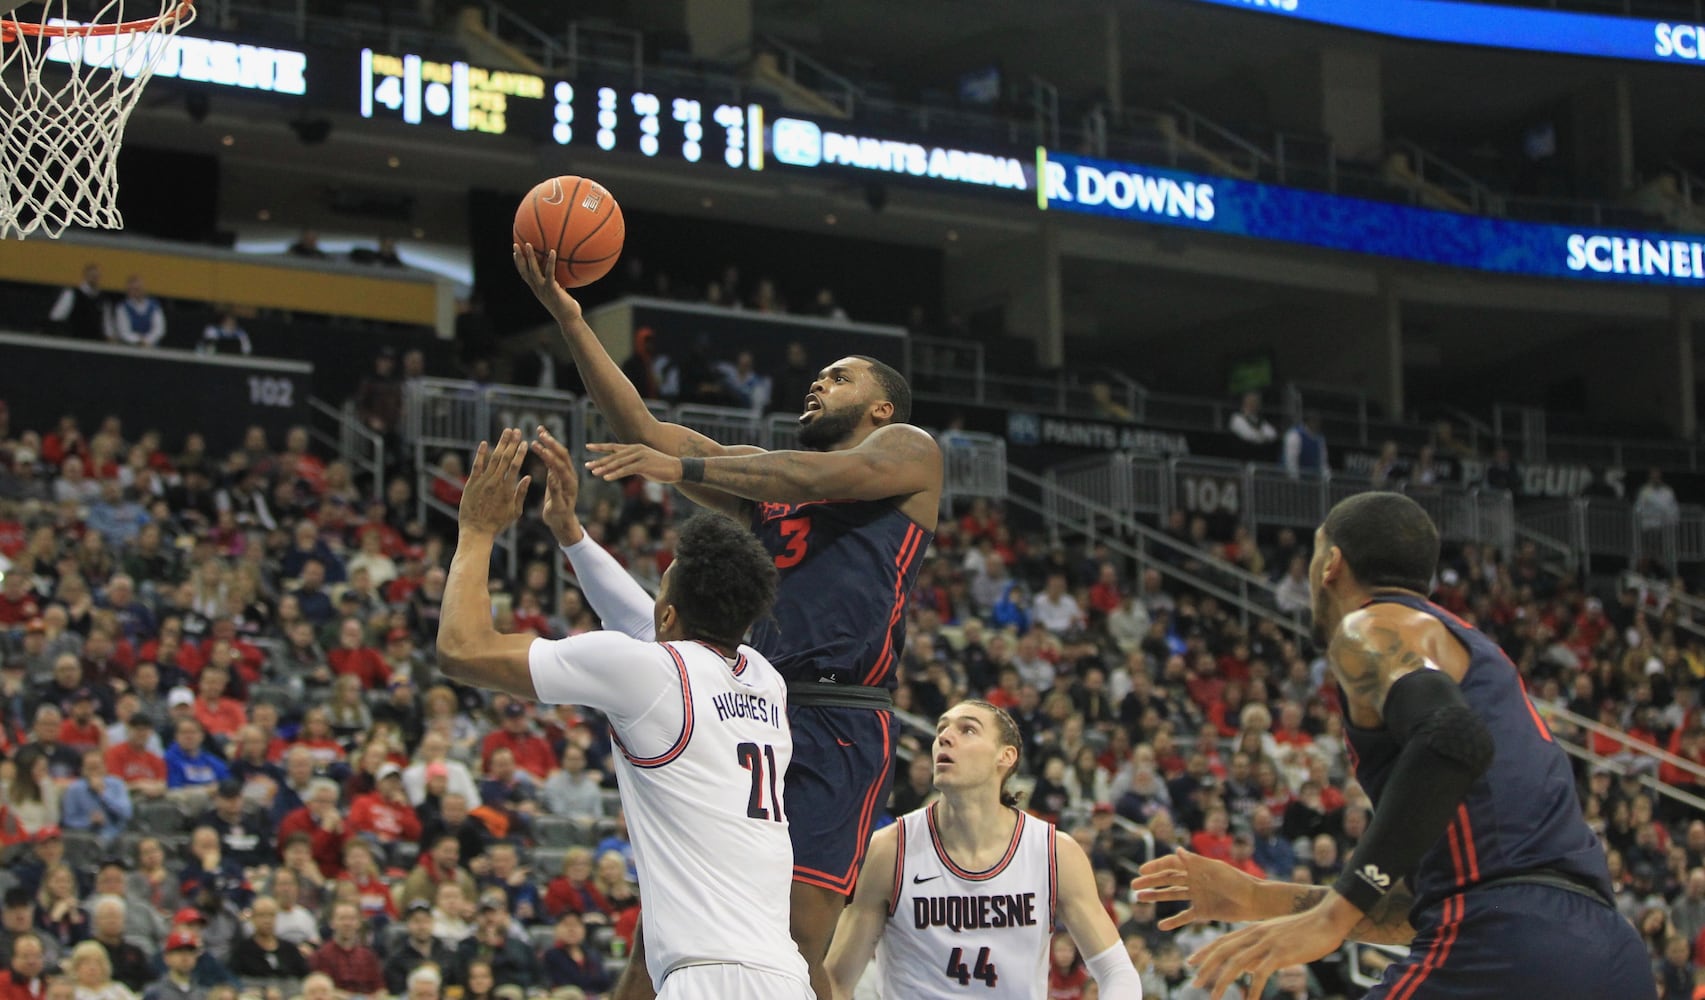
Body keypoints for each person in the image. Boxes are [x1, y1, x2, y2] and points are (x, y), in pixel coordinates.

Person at [516, 239, 942, 1000]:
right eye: (818, 375)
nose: (819, 382)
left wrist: (680, 470)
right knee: (661, 951)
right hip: (747, 704)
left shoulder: (907, 452)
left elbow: (826, 475)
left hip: (838, 719)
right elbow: (646, 429)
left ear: (880, 407)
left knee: (790, 947)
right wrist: (569, 318)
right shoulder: (762, 484)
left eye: (838, 377)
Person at [1130, 492, 1653, 1000]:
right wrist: (1256, 897)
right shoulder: (1470, 649)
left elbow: (1453, 738)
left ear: (1331, 563)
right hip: (1606, 952)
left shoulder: (1369, 628)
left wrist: (1334, 916)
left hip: (1504, 940)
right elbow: (1453, 895)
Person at [434, 428, 810, 999]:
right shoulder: (763, 678)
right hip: (783, 975)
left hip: (711, 979)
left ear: (668, 617)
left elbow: (461, 650)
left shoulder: (652, 675)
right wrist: (571, 535)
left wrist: (477, 530)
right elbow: (645, 621)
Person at [825, 700, 1141, 999]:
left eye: (968, 729)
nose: (945, 738)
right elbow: (836, 980)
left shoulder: (1054, 852)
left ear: (1006, 756)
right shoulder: (890, 849)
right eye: (941, 730)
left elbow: (1117, 971)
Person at [48, 264, 107, 341]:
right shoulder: (72, 294)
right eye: (91, 275)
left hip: (94, 341)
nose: (94, 278)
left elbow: (106, 323)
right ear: (85, 275)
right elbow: (57, 316)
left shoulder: (102, 298)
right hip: (74, 339)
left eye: (96, 276)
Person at [107, 276, 165, 348]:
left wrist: (147, 340)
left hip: (152, 347)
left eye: (139, 289)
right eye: (133, 289)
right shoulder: (122, 308)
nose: (137, 292)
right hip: (130, 348)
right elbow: (124, 331)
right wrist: (138, 340)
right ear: (128, 291)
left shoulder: (154, 306)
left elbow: (159, 329)